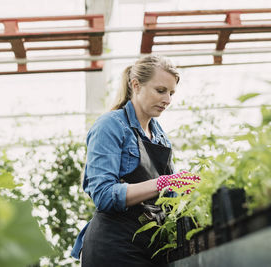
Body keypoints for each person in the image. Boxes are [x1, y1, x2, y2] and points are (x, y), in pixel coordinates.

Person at [71, 55, 200, 267]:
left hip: (149, 246)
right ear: (136, 85)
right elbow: (103, 195)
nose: (168, 100)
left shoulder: (160, 136)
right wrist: (164, 183)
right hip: (114, 247)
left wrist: (188, 189)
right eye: (160, 91)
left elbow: (170, 196)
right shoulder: (110, 126)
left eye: (171, 93)